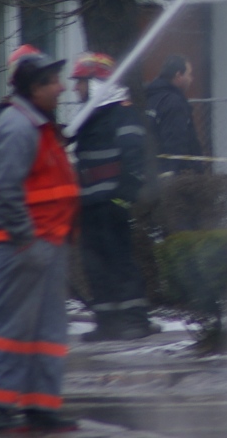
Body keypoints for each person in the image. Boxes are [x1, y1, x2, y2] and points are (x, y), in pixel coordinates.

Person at [0, 45, 80, 433]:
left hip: (46, 243)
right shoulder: (19, 126)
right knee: (11, 329)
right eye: (52, 82)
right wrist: (26, 240)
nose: (62, 88)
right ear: (34, 88)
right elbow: (5, 189)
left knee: (48, 331)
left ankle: (41, 407)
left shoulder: (38, 124)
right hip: (26, 245)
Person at [70, 52, 157, 342]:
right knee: (95, 264)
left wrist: (122, 199)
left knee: (120, 262)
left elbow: (135, 161)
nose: (75, 88)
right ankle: (107, 323)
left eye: (80, 82)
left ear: (96, 83)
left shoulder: (122, 114)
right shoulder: (88, 120)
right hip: (90, 205)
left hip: (110, 204)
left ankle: (136, 321)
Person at [144, 55, 203, 175]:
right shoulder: (174, 102)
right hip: (173, 175)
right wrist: (176, 173)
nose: (191, 79)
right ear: (178, 75)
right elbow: (176, 141)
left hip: (150, 170)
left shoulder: (149, 97)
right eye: (189, 74)